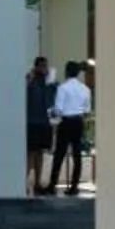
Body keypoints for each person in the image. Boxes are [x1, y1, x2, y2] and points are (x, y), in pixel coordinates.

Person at [44, 60, 93, 195]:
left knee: (59, 154)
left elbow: (58, 109)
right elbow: (87, 110)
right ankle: (74, 186)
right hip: (78, 122)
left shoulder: (63, 88)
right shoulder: (85, 89)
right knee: (77, 155)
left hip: (65, 122)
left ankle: (52, 185)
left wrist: (52, 113)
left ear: (66, 72)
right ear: (78, 73)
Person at [23, 56, 54, 194]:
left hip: (44, 122)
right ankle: (23, 182)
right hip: (31, 122)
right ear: (36, 67)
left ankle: (37, 183)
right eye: (43, 66)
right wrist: (28, 80)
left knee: (40, 152)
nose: (45, 69)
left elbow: (51, 100)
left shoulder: (47, 83)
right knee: (30, 153)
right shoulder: (30, 80)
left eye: (46, 66)